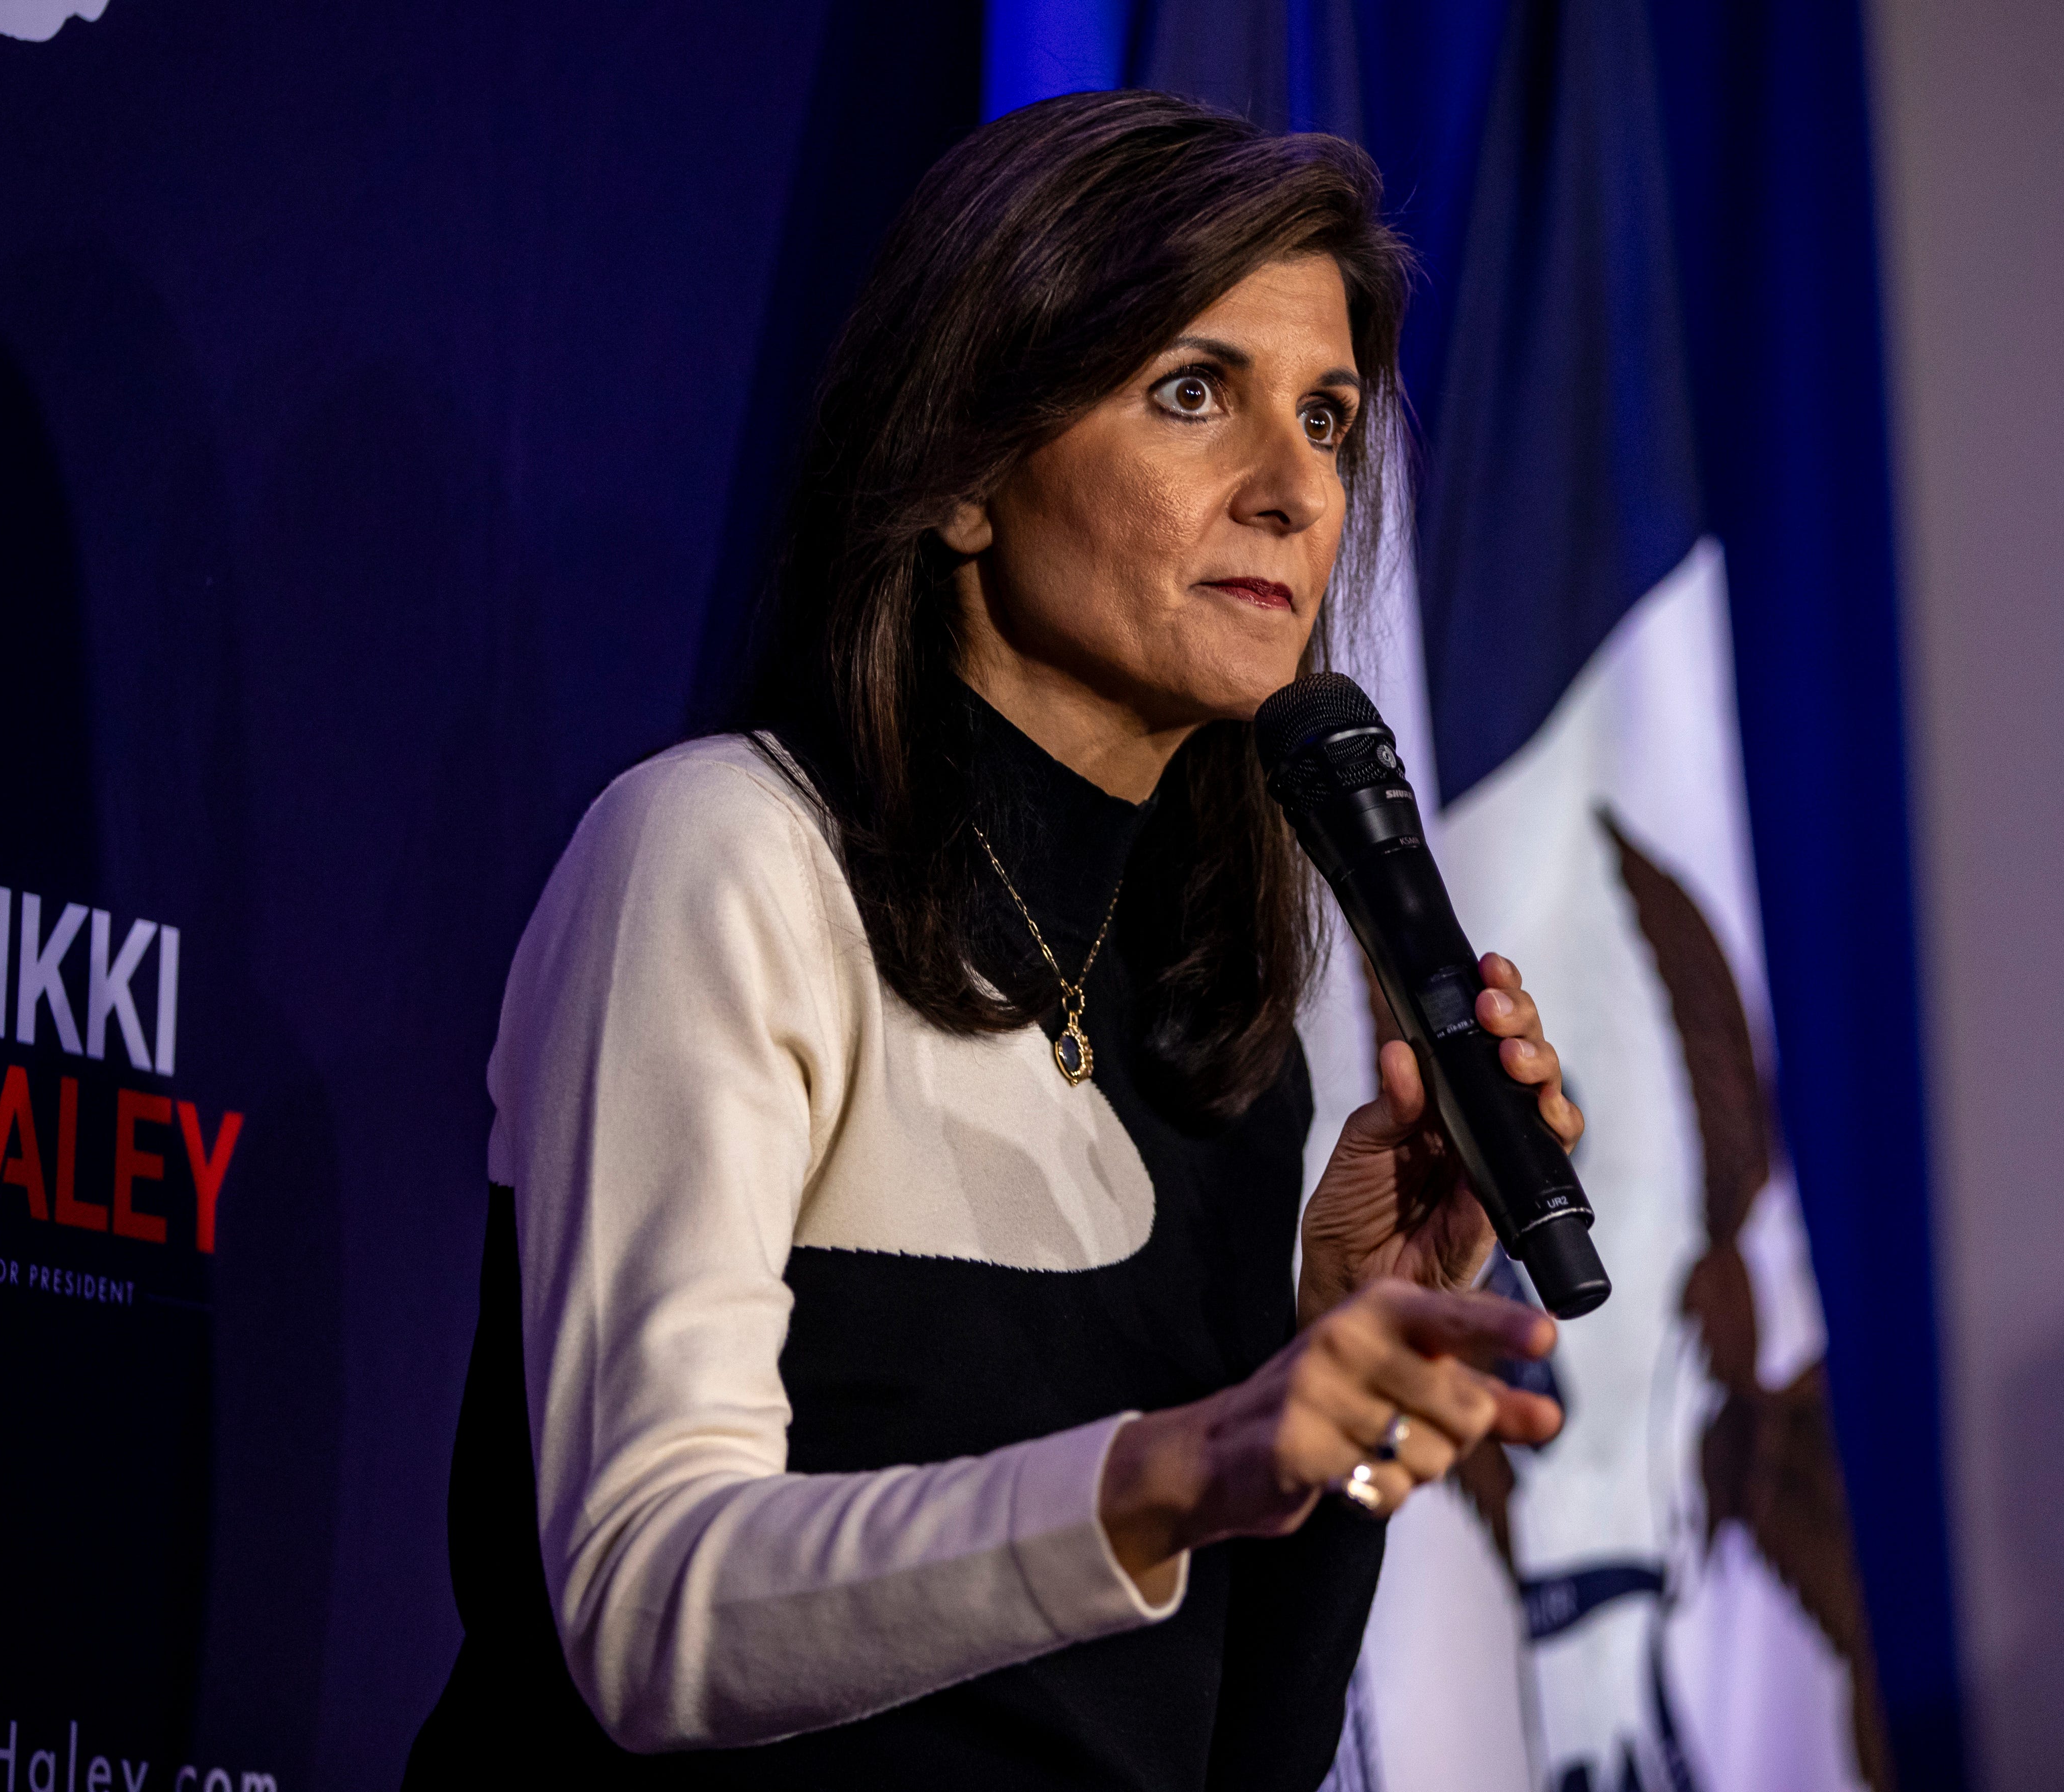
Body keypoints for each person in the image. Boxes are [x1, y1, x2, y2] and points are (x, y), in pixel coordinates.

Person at [406, 90, 1582, 1790]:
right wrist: (1168, 1468)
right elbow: (642, 1609)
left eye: (1326, 418)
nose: (1292, 491)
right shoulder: (729, 861)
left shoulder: (1216, 1039)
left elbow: (1229, 1766)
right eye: (1196, 394)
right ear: (962, 469)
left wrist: (1329, 1382)